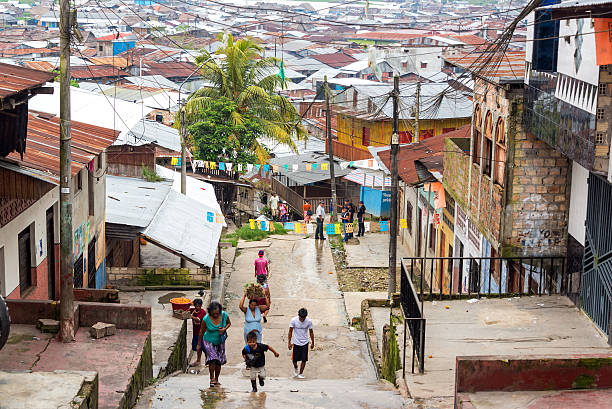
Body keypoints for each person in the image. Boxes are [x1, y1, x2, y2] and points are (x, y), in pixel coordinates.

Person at [197, 301, 231, 387]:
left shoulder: (224, 315)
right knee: (213, 359)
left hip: (220, 341)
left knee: (219, 361)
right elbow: (201, 331)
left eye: (217, 313)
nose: (216, 315)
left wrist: (224, 329)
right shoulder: (206, 319)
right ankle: (212, 378)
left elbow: (229, 323)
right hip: (209, 341)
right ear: (210, 312)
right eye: (214, 314)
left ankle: (216, 379)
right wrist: (199, 344)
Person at [288, 308, 314, 379]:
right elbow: (290, 331)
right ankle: (296, 367)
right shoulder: (293, 320)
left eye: (303, 318)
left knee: (304, 359)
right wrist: (289, 342)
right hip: (296, 342)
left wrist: (312, 343)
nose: (302, 320)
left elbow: (311, 332)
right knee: (294, 360)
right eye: (301, 318)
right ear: (298, 315)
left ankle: (301, 373)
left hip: (305, 342)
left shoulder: (309, 321)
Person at [190, 298, 206, 367]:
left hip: (203, 333)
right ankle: (198, 361)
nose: (198, 308)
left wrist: (191, 316)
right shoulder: (193, 311)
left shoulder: (203, 312)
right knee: (198, 348)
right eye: (196, 306)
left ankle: (208, 360)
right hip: (196, 333)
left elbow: (198, 319)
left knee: (204, 348)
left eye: (199, 306)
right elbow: (187, 310)